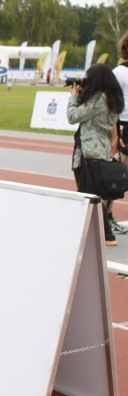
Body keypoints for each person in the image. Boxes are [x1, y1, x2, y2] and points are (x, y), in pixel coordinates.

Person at [67, 63, 124, 247]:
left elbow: (73, 116)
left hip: (89, 151)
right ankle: (98, 234)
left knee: (88, 195)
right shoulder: (113, 99)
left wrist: (74, 97)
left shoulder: (99, 100)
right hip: (99, 150)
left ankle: (104, 235)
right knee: (90, 194)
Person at [112, 32, 128, 234]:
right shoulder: (118, 73)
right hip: (123, 125)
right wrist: (116, 134)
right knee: (116, 172)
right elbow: (113, 104)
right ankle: (107, 214)